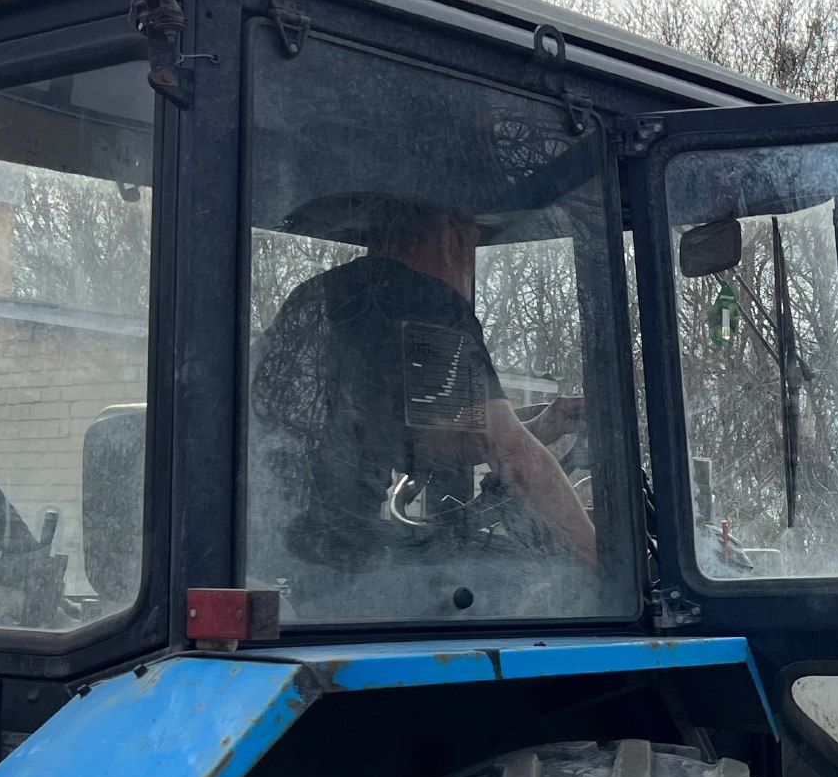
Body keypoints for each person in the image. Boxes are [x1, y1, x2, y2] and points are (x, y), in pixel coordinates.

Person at [253, 191, 598, 580]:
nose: (469, 271)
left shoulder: (330, 296)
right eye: (471, 248)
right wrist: (600, 560)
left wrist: (544, 426)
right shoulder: (425, 299)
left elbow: (421, 446)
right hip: (333, 552)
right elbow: (511, 454)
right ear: (452, 240)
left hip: (274, 542)